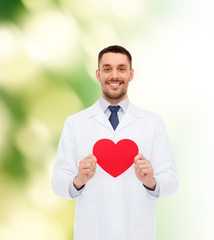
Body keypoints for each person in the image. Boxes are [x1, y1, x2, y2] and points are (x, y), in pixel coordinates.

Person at [51, 45, 179, 240]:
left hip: (137, 232)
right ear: (98, 74)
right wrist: (79, 180)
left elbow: (172, 180)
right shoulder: (76, 123)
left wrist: (151, 182)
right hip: (92, 232)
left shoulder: (152, 123)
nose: (114, 75)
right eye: (107, 68)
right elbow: (58, 183)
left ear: (131, 74)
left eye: (121, 68)